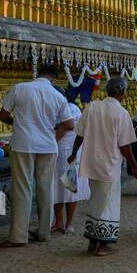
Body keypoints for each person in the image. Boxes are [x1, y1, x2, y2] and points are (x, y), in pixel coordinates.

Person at [0, 62, 77, 247]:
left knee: (22, 188)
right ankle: (43, 232)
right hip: (48, 146)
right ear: (54, 78)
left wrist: (17, 124)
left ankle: (18, 236)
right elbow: (70, 124)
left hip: (23, 144)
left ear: (37, 74)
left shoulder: (20, 88)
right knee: (45, 188)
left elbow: (2, 115)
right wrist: (51, 130)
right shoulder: (58, 96)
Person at [67, 75, 137, 256]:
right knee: (107, 204)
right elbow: (125, 145)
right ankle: (102, 245)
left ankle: (93, 241)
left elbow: (80, 134)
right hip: (110, 164)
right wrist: (135, 165)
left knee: (96, 201)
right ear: (123, 93)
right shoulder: (121, 113)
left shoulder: (92, 107)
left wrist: (73, 153)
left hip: (91, 162)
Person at [51, 91, 88, 235]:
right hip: (59, 151)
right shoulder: (59, 108)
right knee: (57, 188)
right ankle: (58, 222)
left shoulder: (71, 108)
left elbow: (67, 127)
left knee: (70, 186)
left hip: (68, 153)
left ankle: (69, 223)